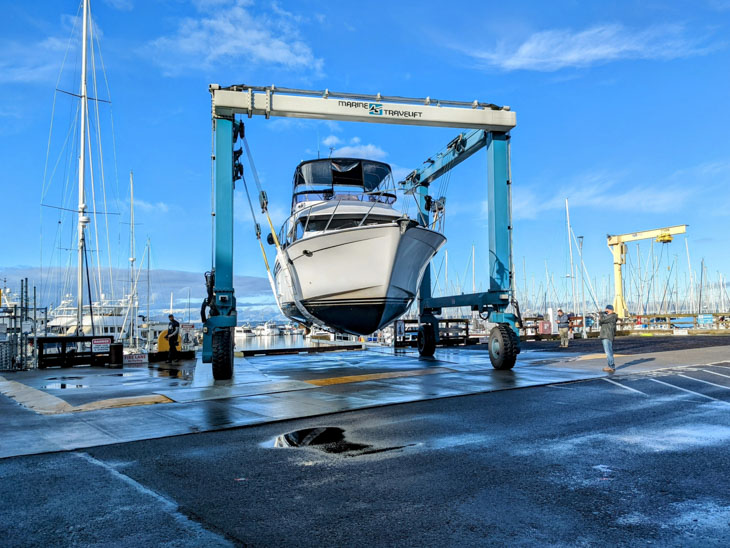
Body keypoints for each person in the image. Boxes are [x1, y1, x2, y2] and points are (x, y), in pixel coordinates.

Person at [599, 304, 618, 373]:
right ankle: (610, 365)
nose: (605, 311)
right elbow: (600, 323)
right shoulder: (609, 317)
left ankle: (611, 366)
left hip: (607, 335)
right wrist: (602, 317)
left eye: (606, 309)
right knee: (608, 351)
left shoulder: (612, 316)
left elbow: (602, 320)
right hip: (605, 335)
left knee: (608, 351)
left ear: (609, 309)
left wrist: (601, 314)